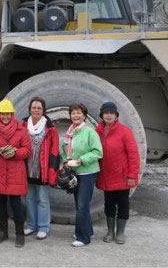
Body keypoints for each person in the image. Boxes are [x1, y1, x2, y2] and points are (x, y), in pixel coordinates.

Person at [0, 99, 31, 247]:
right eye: (2, 114)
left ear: (12, 114)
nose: (5, 116)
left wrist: (15, 153)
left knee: (16, 204)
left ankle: (20, 234)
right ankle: (3, 232)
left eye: (7, 114)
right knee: (0, 203)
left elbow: (27, 150)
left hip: (15, 171)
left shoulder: (21, 129)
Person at [95, 101, 140, 244]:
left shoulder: (125, 131)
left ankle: (120, 233)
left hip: (122, 176)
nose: (108, 115)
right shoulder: (97, 131)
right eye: (106, 113)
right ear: (102, 115)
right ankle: (109, 232)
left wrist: (132, 175)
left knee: (123, 204)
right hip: (106, 175)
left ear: (116, 115)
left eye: (111, 113)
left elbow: (133, 155)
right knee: (109, 204)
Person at [60, 103, 103, 247]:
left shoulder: (90, 132)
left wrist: (81, 160)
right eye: (73, 113)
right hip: (75, 172)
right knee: (80, 204)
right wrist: (66, 161)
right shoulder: (70, 131)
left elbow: (98, 152)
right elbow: (65, 150)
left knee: (82, 205)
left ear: (84, 115)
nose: (76, 115)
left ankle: (83, 237)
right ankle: (87, 231)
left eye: (79, 113)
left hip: (87, 172)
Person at [22, 97, 59, 241]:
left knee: (43, 200)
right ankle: (31, 225)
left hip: (42, 170)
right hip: (27, 169)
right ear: (29, 109)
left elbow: (55, 151)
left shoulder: (50, 128)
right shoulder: (24, 124)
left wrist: (52, 171)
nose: (36, 110)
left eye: (39, 108)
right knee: (29, 199)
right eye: (33, 107)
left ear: (43, 110)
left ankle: (43, 227)